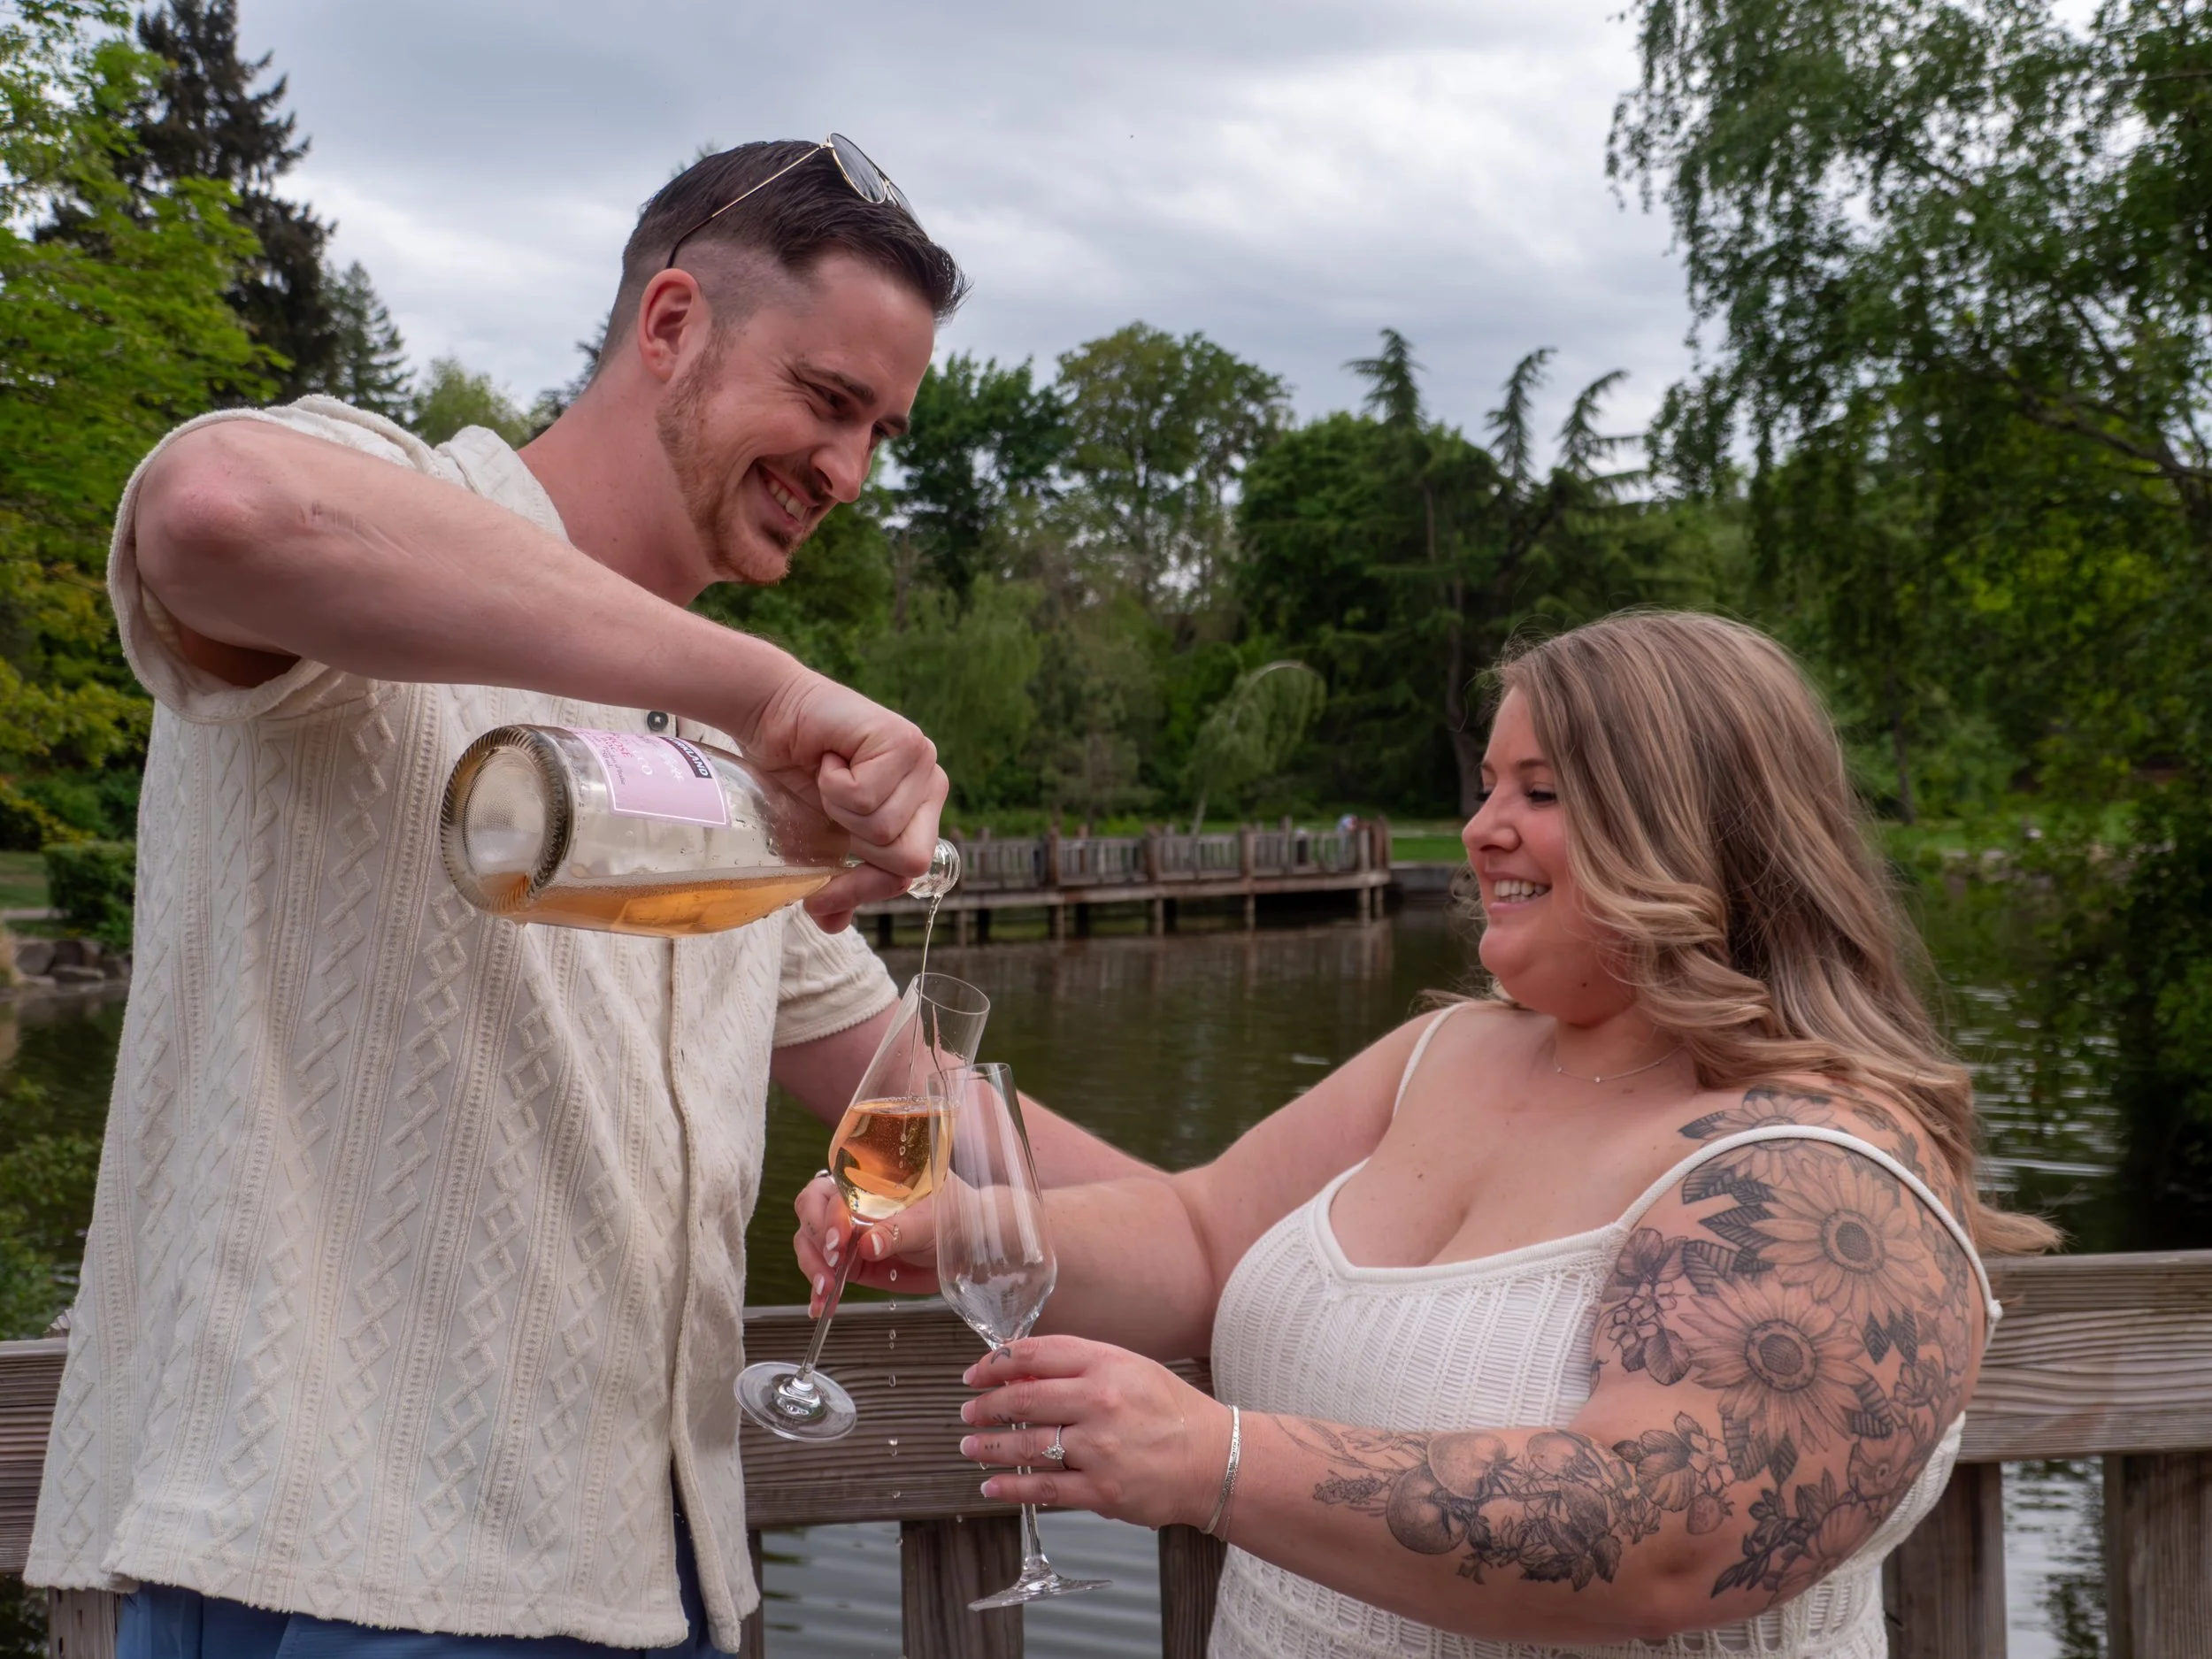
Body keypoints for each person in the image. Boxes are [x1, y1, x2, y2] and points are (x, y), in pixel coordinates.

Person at [27, 136, 1148, 1657]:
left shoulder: (723, 766)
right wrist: (767, 689)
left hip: (642, 1577)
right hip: (340, 1579)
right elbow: (212, 506)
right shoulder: (397, 517)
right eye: (828, 401)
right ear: (672, 322)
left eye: (883, 428)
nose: (850, 471)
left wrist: (1255, 1231)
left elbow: (918, 1090)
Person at [797, 611, 2056, 1657]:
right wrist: (966, 1228)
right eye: (1489, 785)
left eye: (1543, 792)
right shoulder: (1446, 1048)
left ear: (1698, 829)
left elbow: (1664, 1533)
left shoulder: (1826, 1169)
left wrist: (1216, 1460)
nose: (1480, 827)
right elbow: (1202, 1232)